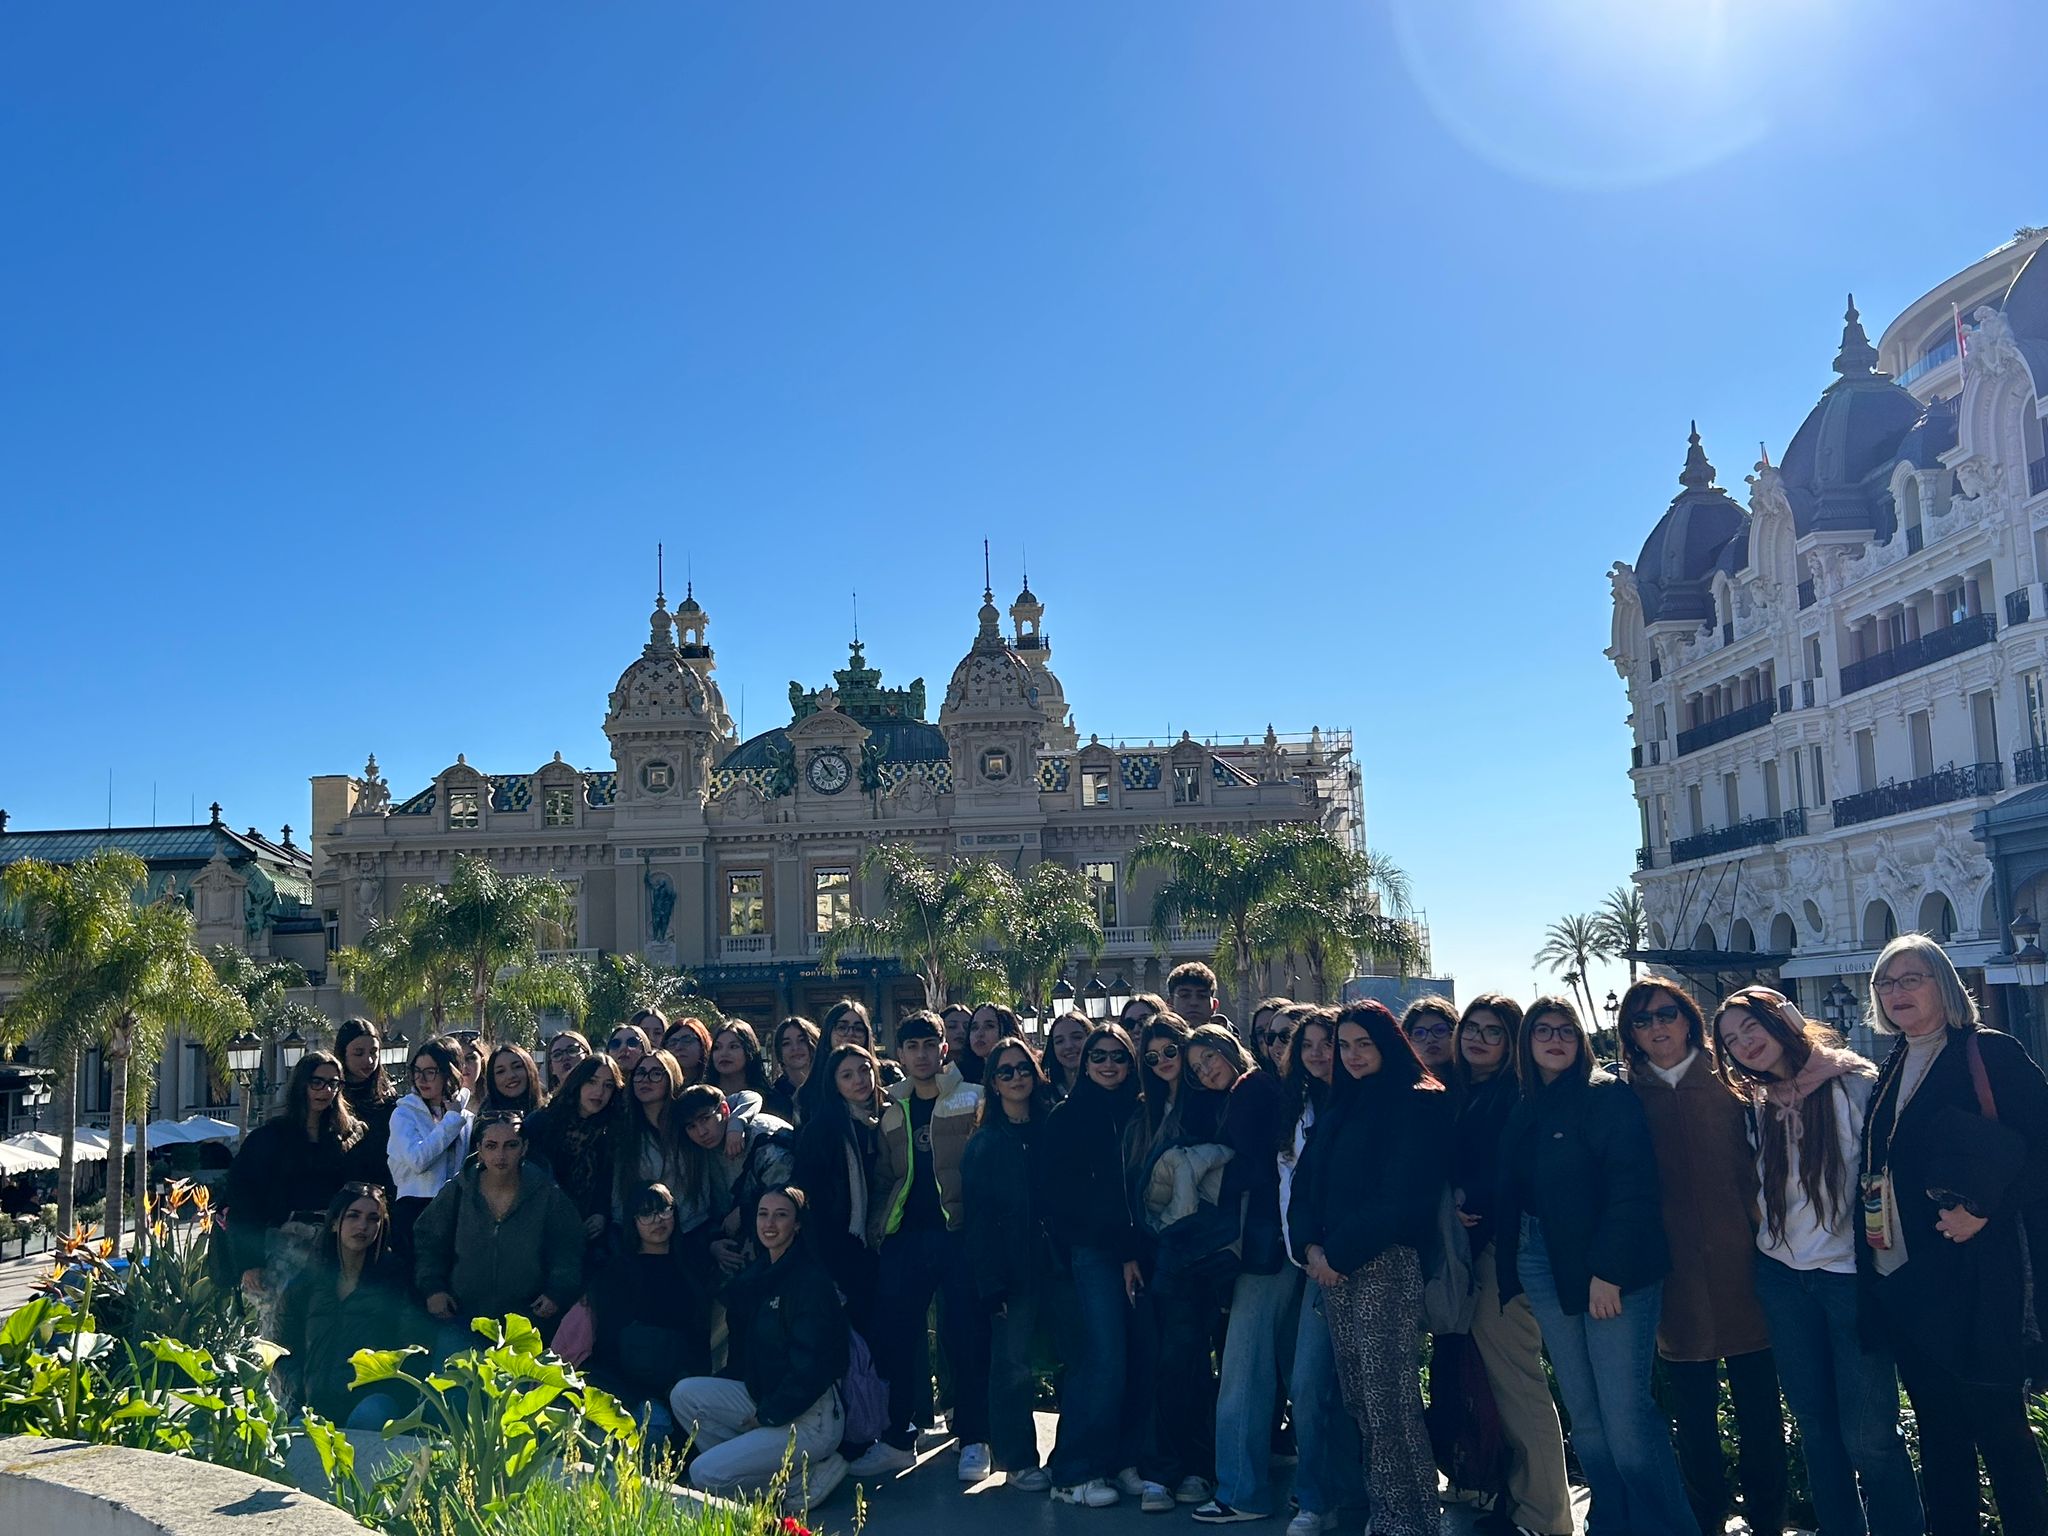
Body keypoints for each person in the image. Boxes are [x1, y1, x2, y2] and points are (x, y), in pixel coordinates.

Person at [1714, 985, 1924, 1536]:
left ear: (1783, 1018)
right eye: (1732, 1041)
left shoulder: (1854, 1084)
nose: (1744, 1045)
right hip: (1782, 1278)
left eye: (1750, 1027)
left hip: (1850, 1279)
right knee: (1814, 1427)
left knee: (1868, 1435)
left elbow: (1891, 1175)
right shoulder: (1756, 1103)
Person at [1858, 933, 2048, 1535]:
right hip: (1911, 1283)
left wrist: (1986, 1210)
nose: (1897, 993)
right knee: (1940, 1437)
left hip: (1979, 1279)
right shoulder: (1892, 1066)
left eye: (1910, 978)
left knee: (2000, 1432)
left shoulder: (1988, 1053)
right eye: (1886, 984)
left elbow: (2041, 1151)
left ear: (1944, 983)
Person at [1497, 996, 1692, 1536]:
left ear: (1581, 1039)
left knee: (1626, 1419)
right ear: (1527, 1042)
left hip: (1609, 1266)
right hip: (1542, 1257)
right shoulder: (1527, 1104)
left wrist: (1608, 1273)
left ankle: (1665, 1527)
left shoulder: (1606, 1097)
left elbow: (1632, 1188)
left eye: (1565, 1030)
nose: (1555, 1039)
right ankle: (1615, 1520)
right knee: (1585, 1417)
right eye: (1542, 1031)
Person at [1619, 976, 1786, 1536]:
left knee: (1762, 1413)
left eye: (1666, 1013)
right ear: (1629, 1033)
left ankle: (1769, 1519)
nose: (1656, 1027)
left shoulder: (1736, 1084)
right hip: (1674, 1282)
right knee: (1692, 1418)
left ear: (1689, 1017)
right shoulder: (1625, 1097)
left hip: (1747, 1270)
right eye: (1641, 1020)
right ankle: (1706, 1519)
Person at [1291, 1000, 1448, 1536]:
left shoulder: (1419, 1102)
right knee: (1361, 1395)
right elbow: (1307, 1186)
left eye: (1365, 1043)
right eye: (1345, 1045)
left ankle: (1413, 1517)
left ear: (1388, 1043)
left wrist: (1335, 1255)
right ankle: (1390, 1511)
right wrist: (1312, 1249)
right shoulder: (1342, 1104)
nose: (1353, 1055)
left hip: (1387, 1264)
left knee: (1391, 1398)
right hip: (1333, 1270)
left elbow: (1401, 1195)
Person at [848, 1011, 989, 1481]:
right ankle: (896, 1439)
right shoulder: (891, 1109)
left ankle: (973, 1438)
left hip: (959, 1236)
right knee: (896, 1340)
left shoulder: (973, 1098)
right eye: (912, 1047)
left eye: (931, 1045)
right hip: (905, 1238)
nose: (923, 1055)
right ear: (900, 1052)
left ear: (944, 1048)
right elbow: (886, 1177)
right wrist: (876, 1230)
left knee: (965, 1338)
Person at [1450, 995, 1571, 1536]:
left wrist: (1469, 1200)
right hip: (1476, 1255)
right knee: (1502, 1386)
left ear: (1512, 1042)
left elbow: (1515, 1175)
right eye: (1470, 1028)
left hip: (1501, 1256)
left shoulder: (1513, 1097)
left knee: (1521, 1388)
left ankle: (1546, 1518)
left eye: (1492, 1032)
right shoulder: (1466, 1091)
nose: (1477, 1038)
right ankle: (1523, 1504)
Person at [668, 1187, 850, 1510]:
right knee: (684, 1395)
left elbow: (811, 1370)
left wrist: (767, 1415)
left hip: (810, 1417)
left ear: (797, 1225)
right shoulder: (761, 1273)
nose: (770, 1223)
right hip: (766, 1397)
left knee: (703, 1473)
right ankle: (778, 1474)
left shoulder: (810, 1283)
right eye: (763, 1214)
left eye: (781, 1215)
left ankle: (802, 1480)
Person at [1185, 1023, 1293, 1524]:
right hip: (1277, 1245)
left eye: (1209, 1057)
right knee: (1286, 1368)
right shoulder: (1248, 1091)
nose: (1205, 1070)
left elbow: (1252, 1167)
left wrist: (1201, 1173)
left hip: (1261, 1247)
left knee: (1243, 1370)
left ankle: (1241, 1490)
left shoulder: (1250, 1092)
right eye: (1197, 1067)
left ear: (1231, 1050)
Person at [1040, 1022, 1151, 1508]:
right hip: (1093, 1254)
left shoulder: (1142, 1112)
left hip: (1141, 1253)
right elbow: (1066, 1200)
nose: (1109, 1065)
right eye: (1099, 1057)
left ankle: (1119, 1458)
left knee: (1135, 1358)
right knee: (1100, 1359)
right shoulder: (1067, 1118)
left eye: (1119, 1057)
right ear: (1084, 1064)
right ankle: (1074, 1469)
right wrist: (1118, 1248)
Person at [1134, 1009, 1226, 1511]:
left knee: (1188, 1359)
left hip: (1198, 1251)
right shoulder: (1144, 1111)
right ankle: (1168, 1468)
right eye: (1153, 1056)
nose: (1164, 1061)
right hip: (1155, 1252)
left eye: (1172, 1051)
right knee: (1168, 1360)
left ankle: (1189, 1467)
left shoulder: (1209, 1104)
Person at [1277, 1006, 1363, 1536]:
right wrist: (1306, 1254)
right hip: (1315, 1269)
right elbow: (1290, 1190)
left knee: (1366, 1390)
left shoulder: (1371, 1104)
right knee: (1308, 1385)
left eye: (1327, 1043)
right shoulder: (1297, 1109)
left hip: (1370, 1266)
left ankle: (1362, 1496)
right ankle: (1314, 1496)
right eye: (1307, 1044)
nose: (1317, 1053)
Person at [962, 1035, 1058, 1492]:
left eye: (1024, 1069)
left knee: (1075, 1359)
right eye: (1006, 1071)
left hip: (1060, 1264)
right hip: (1012, 1272)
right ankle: (1018, 1459)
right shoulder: (984, 1144)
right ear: (993, 1083)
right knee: (1013, 1368)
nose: (1017, 1077)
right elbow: (978, 1222)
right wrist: (991, 1284)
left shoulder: (1054, 1128)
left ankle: (1071, 1453)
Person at [414, 1110, 586, 1347]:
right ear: (480, 1150)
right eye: (492, 1146)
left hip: (527, 1324)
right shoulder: (458, 1191)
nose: (501, 1155)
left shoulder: (548, 1194)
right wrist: (433, 1288)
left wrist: (557, 1292)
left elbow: (568, 1248)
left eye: (511, 1145)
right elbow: (429, 1241)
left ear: (524, 1148)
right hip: (462, 1319)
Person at [225, 1050, 373, 1304]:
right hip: (283, 1244)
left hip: (335, 1243)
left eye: (333, 1083)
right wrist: (249, 1262)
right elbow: (243, 1200)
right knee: (279, 1325)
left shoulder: (349, 1136)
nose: (325, 1090)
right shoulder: (269, 1137)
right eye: (317, 1082)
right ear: (302, 1083)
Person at [274, 1182, 426, 1428]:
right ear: (335, 1223)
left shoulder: (396, 1281)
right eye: (353, 1216)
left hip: (374, 1399)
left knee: (368, 1418)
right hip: (315, 1399)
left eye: (373, 1218)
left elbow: (414, 1346)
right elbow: (282, 1346)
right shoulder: (305, 1283)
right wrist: (300, 1386)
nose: (362, 1226)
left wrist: (396, 1391)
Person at [586, 1181, 715, 1435]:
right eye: (646, 1214)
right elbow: (608, 1342)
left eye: (664, 1210)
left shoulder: (694, 1266)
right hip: (625, 1388)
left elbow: (698, 1335)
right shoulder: (617, 1272)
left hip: (679, 1388)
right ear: (633, 1221)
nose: (657, 1220)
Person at [790, 1042, 885, 1330]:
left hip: (884, 1239)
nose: (859, 1080)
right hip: (841, 1245)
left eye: (864, 1070)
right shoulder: (822, 1129)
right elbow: (810, 1196)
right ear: (834, 1083)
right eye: (847, 1075)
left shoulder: (888, 1117)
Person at [679, 1084, 794, 1275]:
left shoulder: (763, 1133)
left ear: (724, 1110)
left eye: (705, 1119)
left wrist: (745, 1210)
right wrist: (714, 1243)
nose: (701, 1132)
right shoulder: (699, 1154)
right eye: (692, 1126)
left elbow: (787, 1187)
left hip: (788, 1238)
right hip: (738, 1246)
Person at [615, 1049, 720, 1240]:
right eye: (640, 1073)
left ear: (671, 1076)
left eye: (656, 1073)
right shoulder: (625, 1133)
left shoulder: (690, 1127)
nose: (646, 1079)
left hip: (694, 1235)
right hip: (641, 1240)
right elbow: (618, 1196)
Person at [386, 1037, 474, 1259]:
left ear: (449, 1072)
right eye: (417, 1071)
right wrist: (451, 1120)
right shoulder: (404, 1113)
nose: (421, 1079)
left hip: (456, 1211)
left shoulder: (464, 1117)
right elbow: (418, 1160)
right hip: (415, 1209)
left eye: (430, 1072)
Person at [524, 1054, 622, 1244]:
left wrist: (600, 1213)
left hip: (590, 1230)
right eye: (592, 1082)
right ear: (578, 1082)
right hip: (544, 1226)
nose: (599, 1092)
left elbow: (607, 1179)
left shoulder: (610, 1130)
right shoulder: (542, 1122)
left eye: (608, 1085)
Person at [334, 1018, 398, 1190]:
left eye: (374, 1052)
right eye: (359, 1053)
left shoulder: (389, 1101)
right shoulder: (332, 1098)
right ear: (343, 1054)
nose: (369, 1060)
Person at [824, 1000, 905, 1087]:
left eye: (858, 1028)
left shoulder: (889, 1075)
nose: (850, 1033)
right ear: (828, 1032)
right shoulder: (815, 1077)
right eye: (842, 1027)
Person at [766, 1017, 820, 1123]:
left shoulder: (831, 1087)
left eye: (802, 1040)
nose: (795, 1048)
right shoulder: (772, 1098)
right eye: (786, 1043)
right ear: (779, 1053)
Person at [1400, 996, 1459, 1083]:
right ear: (1408, 1040)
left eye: (1439, 1030)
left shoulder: (1475, 1084)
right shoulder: (1401, 1086)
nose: (1430, 1039)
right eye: (1419, 1033)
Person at [480, 1043, 548, 1117]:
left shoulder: (551, 1112)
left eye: (517, 1067)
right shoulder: (484, 1120)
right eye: (501, 1071)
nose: (510, 1076)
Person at [712, 1022, 775, 1098]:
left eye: (733, 1046)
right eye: (717, 1047)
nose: (723, 1053)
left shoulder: (771, 1100)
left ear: (749, 1050)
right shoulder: (700, 1097)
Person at [967, 1004, 1016, 1086]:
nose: (979, 1034)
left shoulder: (1022, 1074)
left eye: (989, 1026)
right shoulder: (962, 1077)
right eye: (974, 1027)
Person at [663, 1017, 716, 1085]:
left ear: (703, 1043)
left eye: (686, 1040)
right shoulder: (660, 1087)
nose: (678, 1047)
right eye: (672, 1042)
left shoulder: (717, 1082)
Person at [1167, 963, 1219, 1027]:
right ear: (1170, 1004)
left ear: (1214, 1005)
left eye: (1202, 996)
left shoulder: (1231, 1036)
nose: (1194, 1003)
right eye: (1185, 995)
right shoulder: (1155, 1035)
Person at [941, 1005, 977, 1082]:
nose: (961, 1031)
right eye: (952, 1026)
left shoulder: (984, 1070)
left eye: (966, 1027)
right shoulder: (932, 1070)